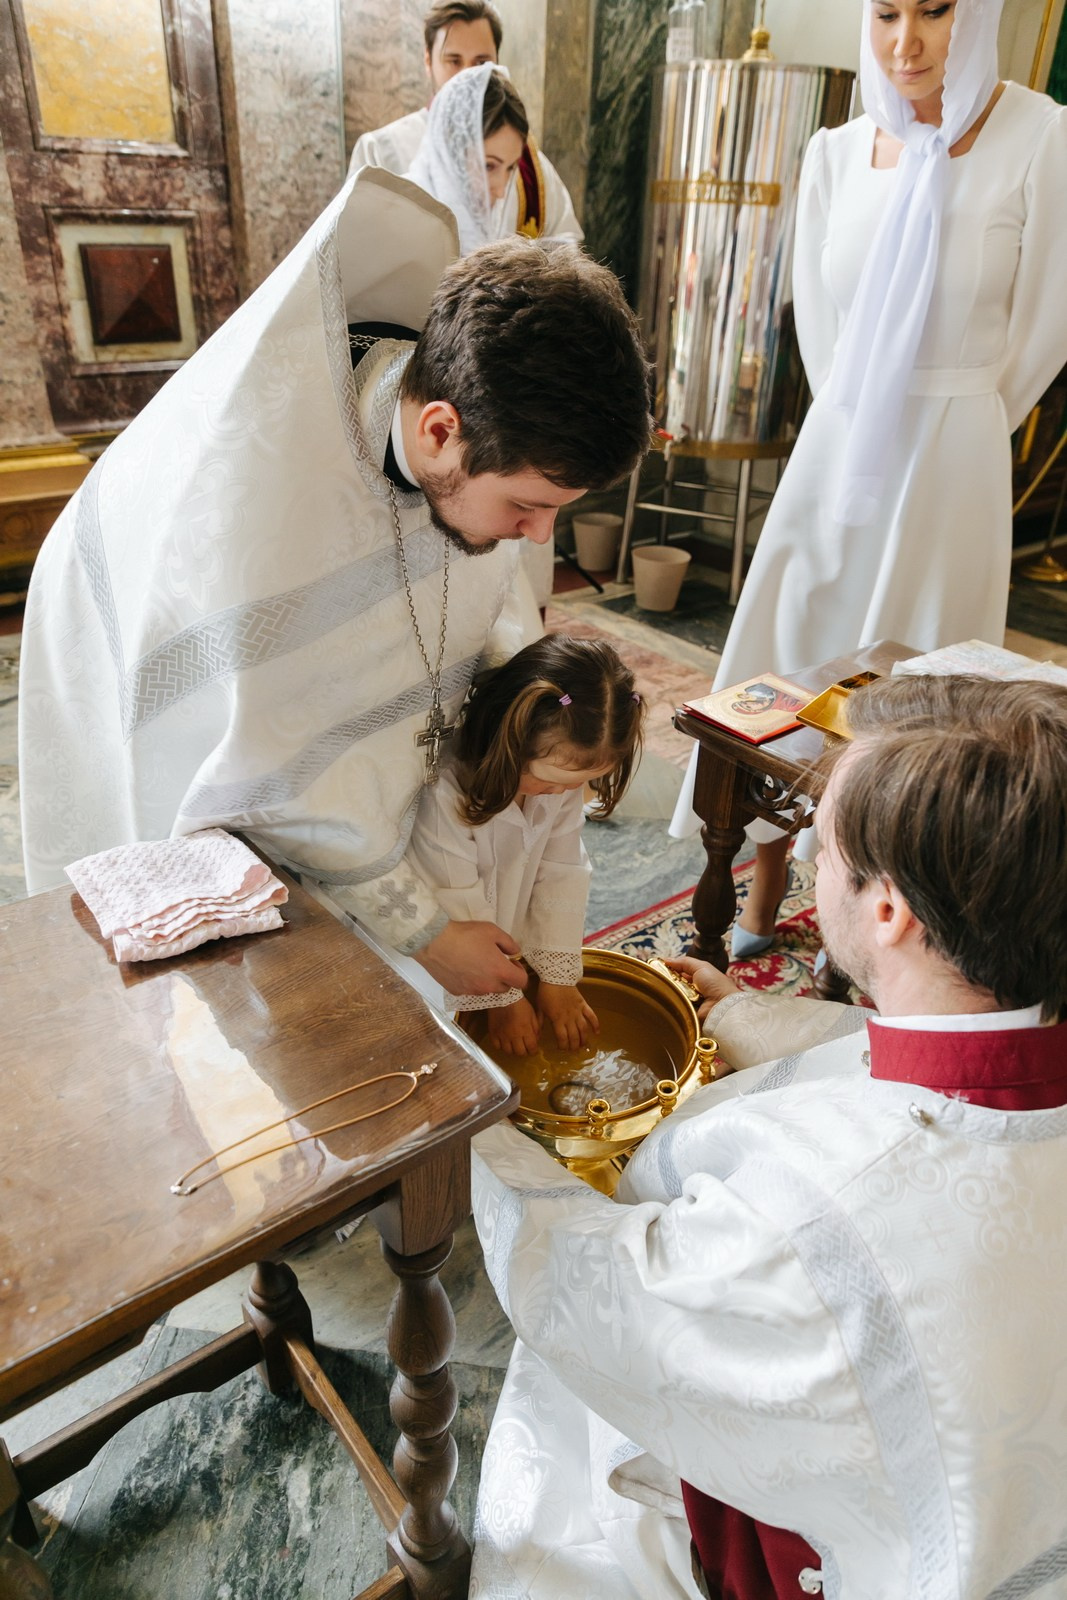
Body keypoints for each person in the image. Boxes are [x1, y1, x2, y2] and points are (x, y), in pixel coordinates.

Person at [469, 673, 1067, 1599]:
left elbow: (596, 1295)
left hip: (863, 1556)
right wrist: (742, 1017)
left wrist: (468, 1117)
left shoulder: (804, 1231)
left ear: (887, 912)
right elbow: (887, 1063)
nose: (807, 863)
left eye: (819, 845)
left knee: (565, 1443)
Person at [18, 168, 652, 1003]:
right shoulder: (260, 515)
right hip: (142, 678)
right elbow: (273, 775)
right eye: (530, 506)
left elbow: (444, 627)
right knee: (221, 1006)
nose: (541, 539)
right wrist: (423, 932)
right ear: (438, 430)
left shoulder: (469, 431)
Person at [670, 0, 1067, 962]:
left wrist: (957, 416)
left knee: (919, 697)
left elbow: (1047, 320)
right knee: (786, 657)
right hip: (837, 450)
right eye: (886, 12)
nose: (907, 42)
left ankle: (896, 928)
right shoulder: (835, 152)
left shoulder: (1041, 135)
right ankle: (757, 889)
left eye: (935, 11)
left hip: (951, 457)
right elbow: (818, 320)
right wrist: (861, 418)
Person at [407, 633, 643, 1052]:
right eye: (550, 781)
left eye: (579, 785)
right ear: (509, 742)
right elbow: (461, 911)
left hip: (504, 937)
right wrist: (504, 999)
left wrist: (557, 978)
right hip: (447, 944)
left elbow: (563, 871)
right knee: (437, 1039)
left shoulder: (559, 782)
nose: (562, 794)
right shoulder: (447, 794)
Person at [347, 0, 583, 245]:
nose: (467, 75)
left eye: (481, 63)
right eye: (454, 61)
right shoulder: (381, 148)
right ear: (428, 62)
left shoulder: (525, 162)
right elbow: (357, 246)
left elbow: (567, 243)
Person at [407, 65, 532, 254]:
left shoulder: (484, 219)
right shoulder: (406, 216)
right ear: (452, 152)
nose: (501, 192)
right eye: (488, 166)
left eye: (510, 168)